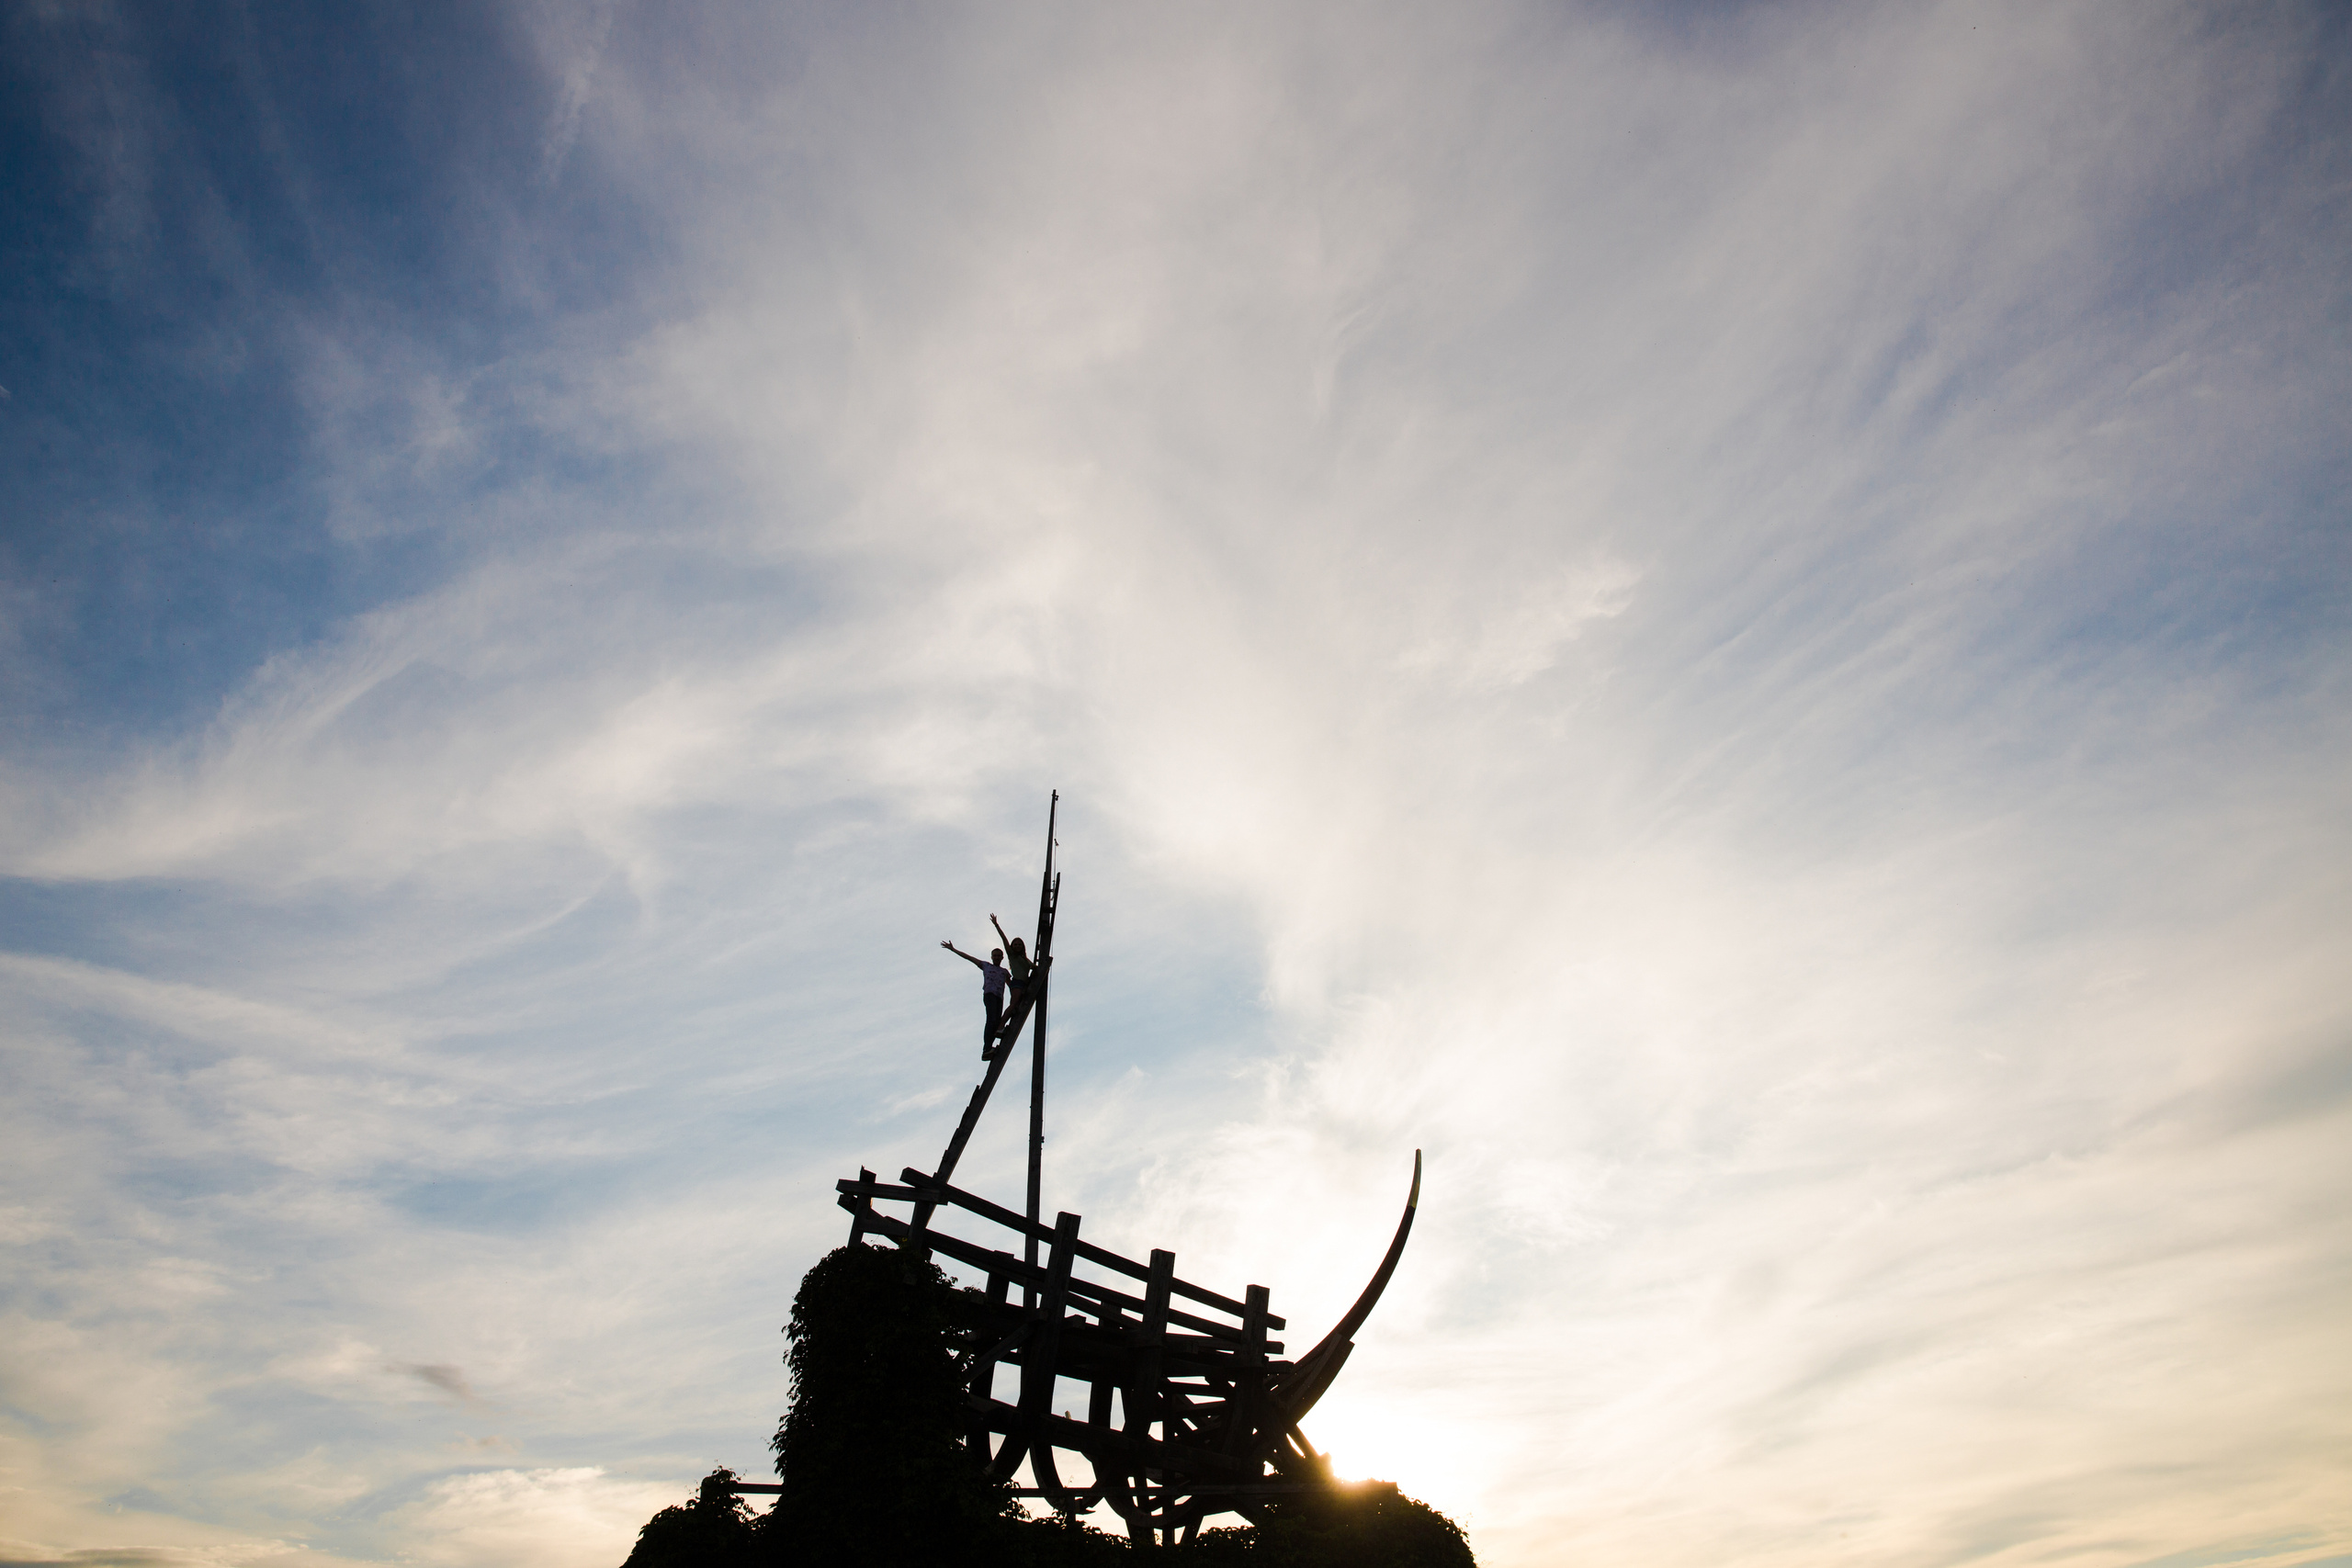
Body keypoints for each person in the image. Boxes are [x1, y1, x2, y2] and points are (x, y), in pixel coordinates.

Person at [940, 938, 1009, 1056]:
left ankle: (989, 1048)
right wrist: (954, 950)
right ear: (991, 957)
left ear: (1002, 958)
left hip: (999, 998)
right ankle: (986, 1048)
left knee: (996, 1021)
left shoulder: (1004, 972)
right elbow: (969, 958)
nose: (997, 957)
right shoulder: (986, 966)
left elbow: (1011, 984)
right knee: (991, 1020)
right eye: (995, 955)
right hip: (990, 995)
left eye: (999, 956)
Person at [989, 915, 1034, 1024]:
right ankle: (1000, 1025)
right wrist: (996, 925)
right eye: (1015, 944)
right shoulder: (1012, 956)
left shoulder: (1025, 959)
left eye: (1019, 944)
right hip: (1017, 983)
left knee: (1017, 1006)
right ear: (1012, 946)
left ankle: (1003, 1024)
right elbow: (1004, 939)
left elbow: (1035, 968)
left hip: (1024, 984)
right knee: (1013, 1004)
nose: (1017, 946)